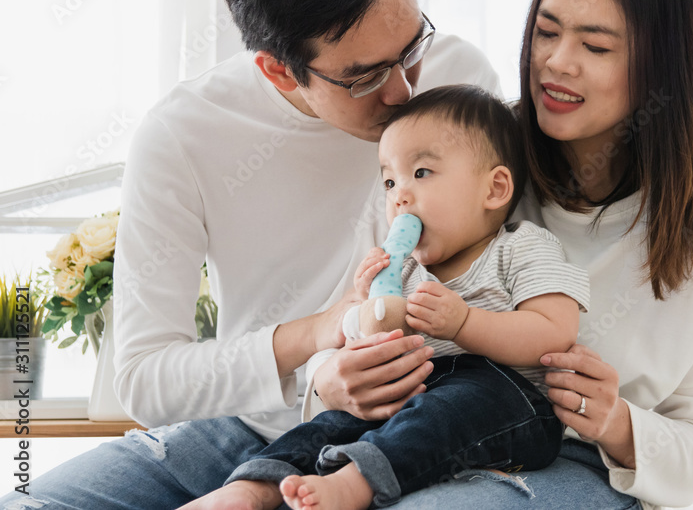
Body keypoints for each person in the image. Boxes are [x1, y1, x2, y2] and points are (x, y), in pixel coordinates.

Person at [0, 0, 693, 509]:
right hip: (293, 417)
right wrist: (321, 351)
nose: (407, 93)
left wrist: (678, 198)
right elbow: (150, 375)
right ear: (278, 69)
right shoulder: (182, 135)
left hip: (490, 438)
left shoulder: (463, 94)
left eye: (412, 46)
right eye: (363, 76)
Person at [308, 0, 693, 510]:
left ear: (663, 69)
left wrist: (615, 422)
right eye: (546, 32)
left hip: (572, 464)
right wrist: (330, 379)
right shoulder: (456, 165)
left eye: (594, 45)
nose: (557, 63)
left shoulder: (687, 247)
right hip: (404, 434)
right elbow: (354, 329)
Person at [186, 84, 589, 510]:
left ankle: (354, 483)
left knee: (452, 407)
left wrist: (465, 324)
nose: (399, 196)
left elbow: (554, 333)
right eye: (390, 181)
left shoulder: (522, 246)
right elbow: (363, 348)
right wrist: (367, 312)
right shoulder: (406, 269)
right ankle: (253, 487)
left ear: (494, 189)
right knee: (338, 420)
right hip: (416, 394)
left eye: (421, 174)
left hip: (510, 405)